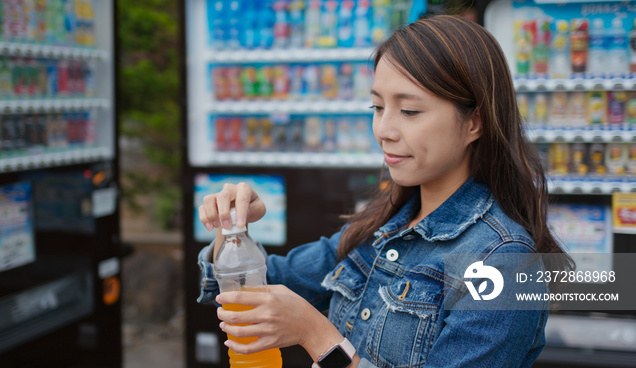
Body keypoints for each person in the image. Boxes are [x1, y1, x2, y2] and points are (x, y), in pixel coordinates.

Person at [197, 15, 572, 368]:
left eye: (409, 111)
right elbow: (253, 288)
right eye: (377, 107)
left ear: (475, 121)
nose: (384, 129)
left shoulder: (503, 262)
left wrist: (319, 336)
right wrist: (233, 230)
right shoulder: (381, 227)